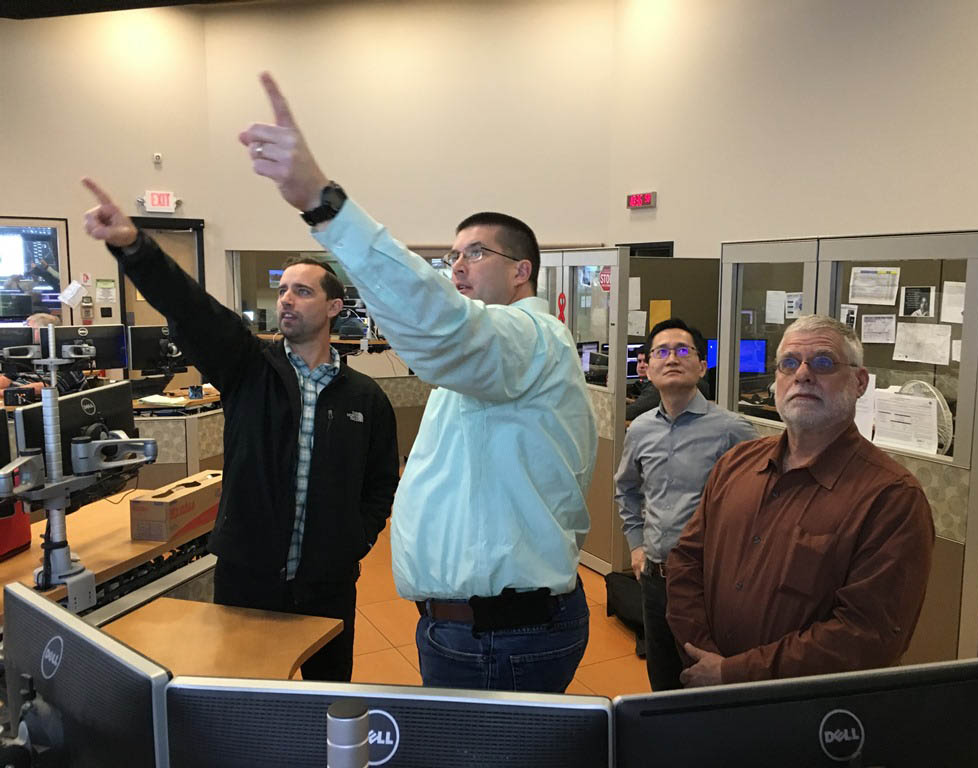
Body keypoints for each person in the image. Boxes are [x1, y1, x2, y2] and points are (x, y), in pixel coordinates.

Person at [237, 72, 597, 692]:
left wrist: (325, 205)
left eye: (476, 253)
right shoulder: (487, 366)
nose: (457, 266)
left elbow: (443, 328)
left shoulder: (530, 338)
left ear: (523, 272)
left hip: (501, 637)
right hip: (469, 630)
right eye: (452, 256)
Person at [81, 179, 400, 682]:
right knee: (248, 707)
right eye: (282, 289)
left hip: (328, 583)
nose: (286, 299)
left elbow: (381, 483)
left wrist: (353, 541)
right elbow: (191, 309)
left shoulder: (366, 398)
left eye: (303, 289)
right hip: (247, 577)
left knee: (328, 701)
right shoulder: (248, 369)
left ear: (334, 306)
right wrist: (133, 248)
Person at [665, 314, 934, 687]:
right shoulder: (736, 465)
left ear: (859, 382)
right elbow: (685, 563)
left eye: (823, 362)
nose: (803, 374)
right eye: (789, 362)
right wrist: (703, 656)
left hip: (807, 719)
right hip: (705, 688)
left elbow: (867, 637)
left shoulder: (891, 499)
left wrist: (734, 673)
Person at [615, 318, 756, 690]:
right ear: (646, 365)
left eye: (683, 350)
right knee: (661, 679)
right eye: (661, 351)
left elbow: (762, 502)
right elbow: (626, 488)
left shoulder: (733, 430)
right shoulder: (641, 429)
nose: (672, 358)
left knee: (706, 682)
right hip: (655, 579)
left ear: (701, 365)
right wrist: (636, 545)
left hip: (708, 583)